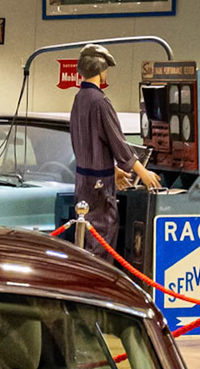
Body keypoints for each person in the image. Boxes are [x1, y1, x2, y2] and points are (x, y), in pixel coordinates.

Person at [68, 44, 160, 258]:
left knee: (86, 237)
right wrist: (143, 173)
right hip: (100, 187)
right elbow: (118, 143)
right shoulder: (101, 102)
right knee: (102, 236)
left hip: (83, 181)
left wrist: (112, 170)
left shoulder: (79, 99)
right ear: (101, 71)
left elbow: (82, 140)